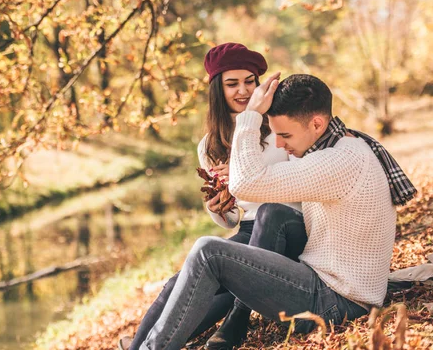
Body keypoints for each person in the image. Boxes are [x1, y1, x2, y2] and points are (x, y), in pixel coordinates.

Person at [136, 73, 417, 350]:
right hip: (335, 288)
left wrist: (250, 114)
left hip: (334, 301)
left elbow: (245, 183)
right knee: (274, 212)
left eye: (284, 134)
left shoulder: (337, 162)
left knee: (209, 252)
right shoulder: (344, 145)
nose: (280, 144)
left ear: (317, 123)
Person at [120, 43, 301, 350]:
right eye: (232, 84)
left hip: (285, 226)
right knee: (179, 283)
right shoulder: (209, 145)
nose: (243, 91)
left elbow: (303, 182)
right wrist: (218, 208)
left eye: (249, 81)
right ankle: (140, 346)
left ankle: (227, 327)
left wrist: (246, 176)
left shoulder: (277, 127)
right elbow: (231, 218)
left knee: (220, 282)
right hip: (247, 230)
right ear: (218, 89)